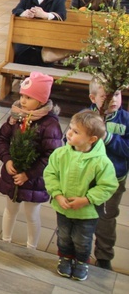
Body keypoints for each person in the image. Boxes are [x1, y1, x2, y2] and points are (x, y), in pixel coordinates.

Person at [44, 111, 117, 281]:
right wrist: (57, 195)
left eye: (76, 132)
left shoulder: (101, 162)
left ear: (92, 139)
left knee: (82, 239)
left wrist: (86, 200)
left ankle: (82, 262)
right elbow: (50, 174)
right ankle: (66, 258)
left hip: (86, 213)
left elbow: (108, 185)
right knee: (63, 235)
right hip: (63, 208)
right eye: (70, 128)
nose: (69, 133)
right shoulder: (60, 154)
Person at [0, 72, 62, 250]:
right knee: (10, 210)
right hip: (13, 174)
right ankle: (5, 241)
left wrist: (29, 174)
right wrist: (7, 160)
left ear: (41, 100)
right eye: (22, 95)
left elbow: (51, 155)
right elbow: (2, 138)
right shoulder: (17, 116)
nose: (23, 101)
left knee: (31, 214)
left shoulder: (50, 125)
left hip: (34, 178)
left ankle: (31, 247)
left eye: (29, 97)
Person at [86, 79, 129, 271]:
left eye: (117, 95)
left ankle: (104, 256)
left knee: (106, 218)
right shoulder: (84, 117)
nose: (113, 100)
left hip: (113, 180)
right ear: (93, 98)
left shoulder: (125, 120)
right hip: (87, 178)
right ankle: (80, 251)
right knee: (83, 215)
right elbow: (70, 141)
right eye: (106, 96)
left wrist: (109, 138)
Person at [12, 0, 67, 65]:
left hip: (47, 40)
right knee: (22, 52)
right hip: (27, 38)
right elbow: (16, 10)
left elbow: (62, 16)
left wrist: (45, 15)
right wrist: (24, 13)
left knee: (43, 56)